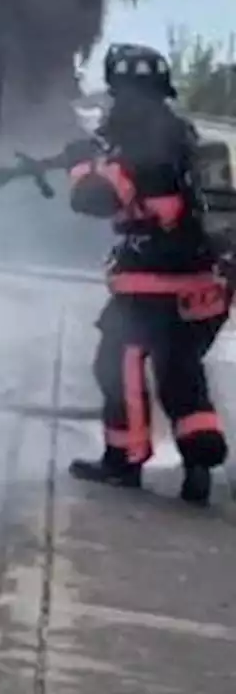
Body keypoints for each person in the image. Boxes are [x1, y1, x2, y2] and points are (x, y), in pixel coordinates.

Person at [66, 42, 229, 505]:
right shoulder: (183, 132)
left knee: (116, 365)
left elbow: (94, 200)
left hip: (151, 285)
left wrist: (81, 165)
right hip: (205, 281)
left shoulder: (137, 137)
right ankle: (199, 460)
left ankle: (123, 461)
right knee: (180, 371)